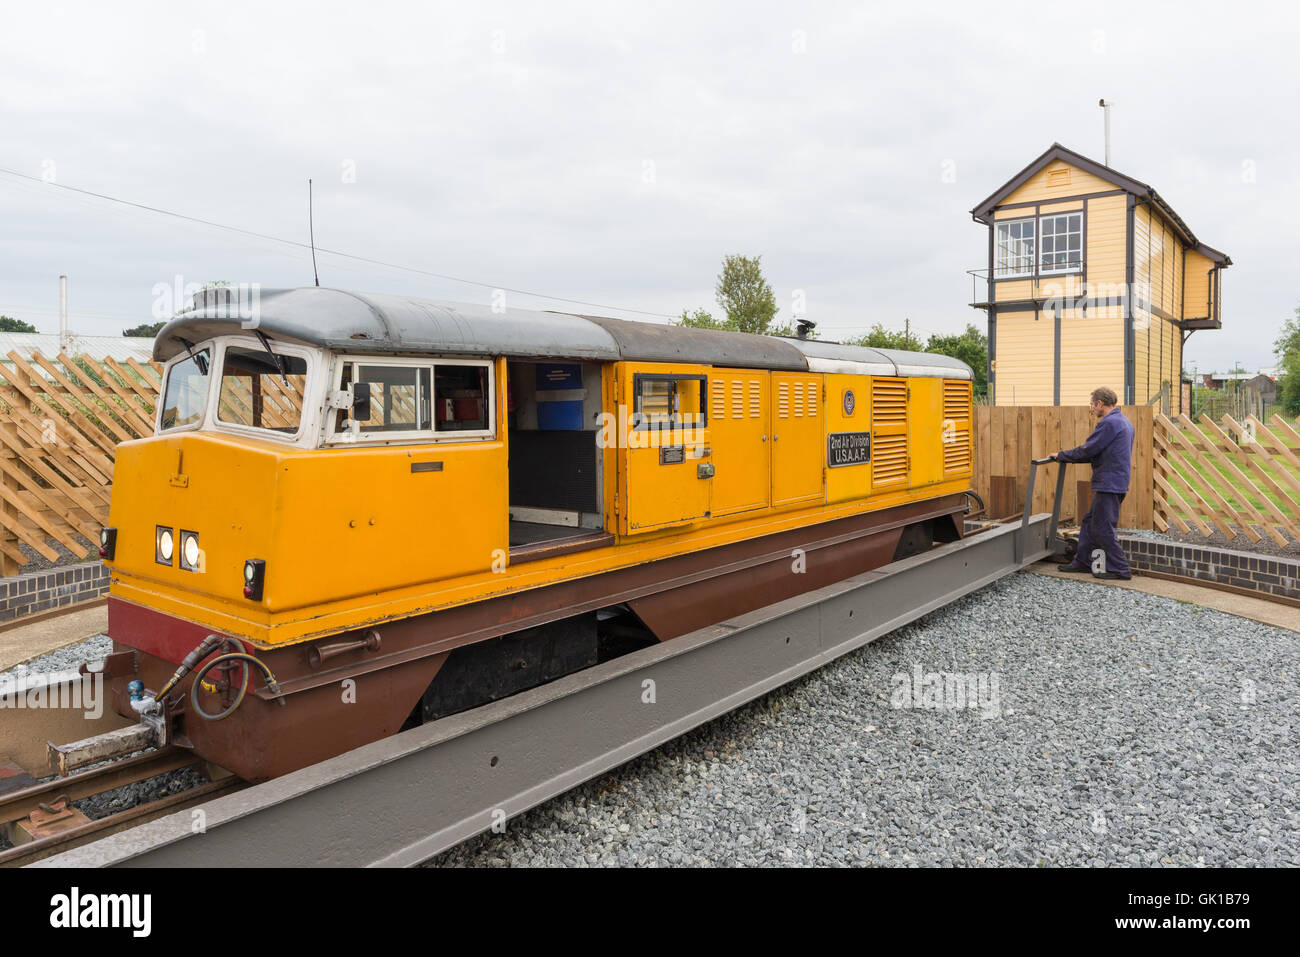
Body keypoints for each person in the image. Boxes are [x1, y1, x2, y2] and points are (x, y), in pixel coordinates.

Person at [1049, 387, 1135, 580]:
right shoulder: (1125, 422)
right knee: (1090, 522)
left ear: (1100, 404)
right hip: (1115, 481)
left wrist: (1062, 455)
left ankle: (1120, 569)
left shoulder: (1110, 423)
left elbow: (1089, 450)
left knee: (1104, 527)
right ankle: (1083, 561)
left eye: (1092, 405)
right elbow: (1099, 452)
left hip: (1109, 483)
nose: (1092, 409)